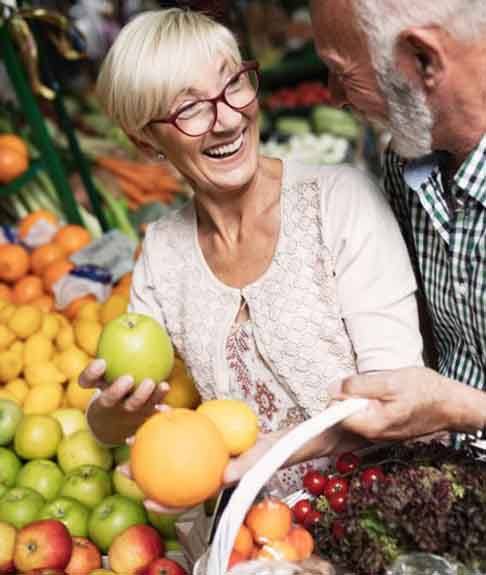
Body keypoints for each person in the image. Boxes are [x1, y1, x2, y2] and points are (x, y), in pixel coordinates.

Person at [80, 7, 423, 514]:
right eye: (190, 108)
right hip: (251, 539)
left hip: (377, 512)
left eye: (233, 84)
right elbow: (120, 425)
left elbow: (398, 396)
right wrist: (112, 411)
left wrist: (278, 451)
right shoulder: (163, 253)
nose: (228, 119)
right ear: (145, 139)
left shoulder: (338, 203)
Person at [309, 0, 486, 445]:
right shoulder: (406, 163)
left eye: (342, 70)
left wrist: (457, 407)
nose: (334, 95)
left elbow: (441, 399)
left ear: (423, 60)